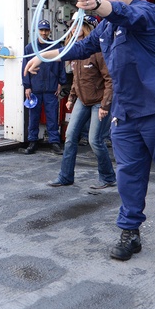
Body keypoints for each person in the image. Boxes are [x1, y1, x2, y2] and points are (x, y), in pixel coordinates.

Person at [26, 0, 155, 262]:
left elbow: (124, 14)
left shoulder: (148, 13)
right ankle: (130, 232)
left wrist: (97, 5)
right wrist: (46, 56)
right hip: (126, 115)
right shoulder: (106, 29)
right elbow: (82, 47)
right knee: (128, 177)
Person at [46, 16, 116, 189]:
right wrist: (71, 98)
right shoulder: (75, 52)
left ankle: (108, 177)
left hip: (99, 101)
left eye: (78, 26)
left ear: (86, 28)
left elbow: (110, 80)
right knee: (70, 137)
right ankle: (65, 176)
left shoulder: (97, 51)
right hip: (83, 100)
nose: (74, 30)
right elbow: (78, 80)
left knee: (95, 140)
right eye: (72, 27)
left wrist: (105, 106)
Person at [22, 19, 66, 155]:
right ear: (38, 31)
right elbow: (24, 68)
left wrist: (60, 83)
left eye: (46, 30)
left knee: (53, 117)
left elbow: (61, 66)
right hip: (34, 89)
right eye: (41, 30)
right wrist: (27, 86)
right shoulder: (30, 48)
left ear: (49, 31)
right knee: (33, 117)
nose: (44, 33)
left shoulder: (56, 46)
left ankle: (54, 142)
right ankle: (32, 141)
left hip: (51, 89)